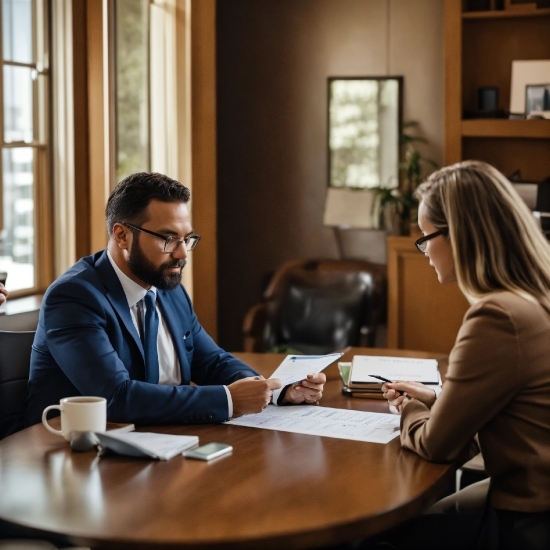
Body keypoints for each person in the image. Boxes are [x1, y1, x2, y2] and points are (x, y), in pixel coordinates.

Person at [25, 172, 325, 427]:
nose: (181, 254)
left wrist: (274, 390)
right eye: (168, 239)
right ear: (122, 236)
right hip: (69, 453)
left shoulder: (168, 287)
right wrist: (229, 400)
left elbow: (210, 361)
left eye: (187, 239)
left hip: (159, 441)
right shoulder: (74, 297)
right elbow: (116, 398)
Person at [376, 160, 550, 550]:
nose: (422, 251)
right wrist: (438, 400)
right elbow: (513, 403)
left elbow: (438, 445)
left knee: (377, 538)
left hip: (527, 517)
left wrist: (407, 408)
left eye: (425, 237)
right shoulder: (536, 298)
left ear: (460, 235)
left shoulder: (498, 316)